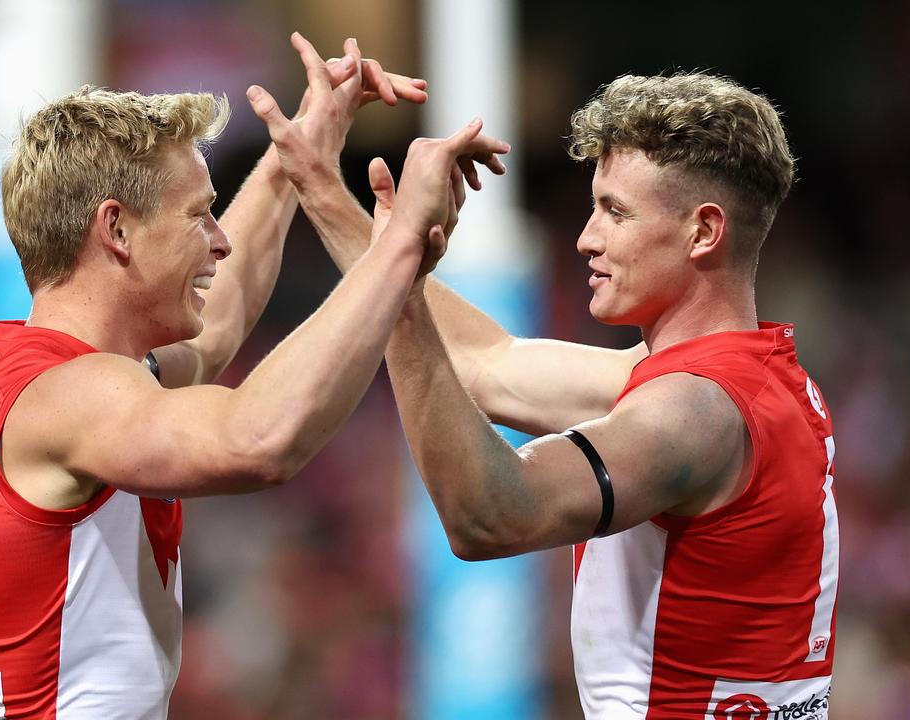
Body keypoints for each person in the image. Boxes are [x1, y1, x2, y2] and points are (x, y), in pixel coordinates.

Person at [0, 33, 503, 718]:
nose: (219, 238)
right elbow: (259, 439)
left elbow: (218, 325)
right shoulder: (65, 396)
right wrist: (400, 242)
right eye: (198, 214)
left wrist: (298, 157)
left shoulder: (40, 379)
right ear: (117, 230)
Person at [289, 73, 838, 718]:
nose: (587, 238)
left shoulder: (693, 413)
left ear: (703, 232)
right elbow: (486, 365)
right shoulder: (749, 376)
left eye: (616, 211)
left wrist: (406, 293)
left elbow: (489, 515)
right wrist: (324, 187)